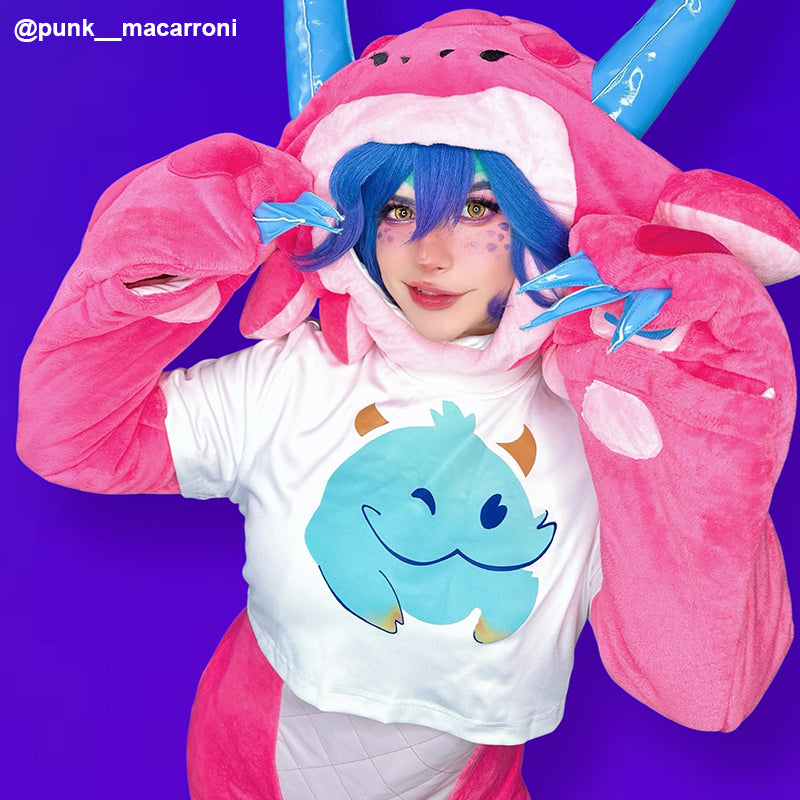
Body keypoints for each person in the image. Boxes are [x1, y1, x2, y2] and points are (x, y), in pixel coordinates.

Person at [17, 5, 798, 799]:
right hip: (246, 754)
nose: (428, 251)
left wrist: (702, 414)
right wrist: (156, 250)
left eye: (480, 207)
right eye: (397, 209)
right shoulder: (298, 377)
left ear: (554, 214)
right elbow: (71, 441)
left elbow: (706, 686)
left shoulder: (604, 421)